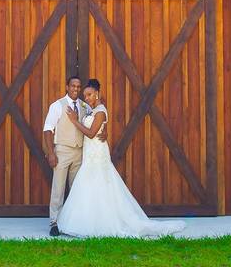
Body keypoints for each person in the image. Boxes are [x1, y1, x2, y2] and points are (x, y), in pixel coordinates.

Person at [56, 78, 186, 238]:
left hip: (97, 154)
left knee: (101, 184)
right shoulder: (91, 110)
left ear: (97, 94)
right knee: (90, 186)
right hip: (90, 153)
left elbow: (90, 133)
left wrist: (75, 120)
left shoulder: (101, 111)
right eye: (85, 95)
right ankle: (92, 220)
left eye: (90, 94)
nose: (87, 98)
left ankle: (106, 223)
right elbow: (97, 130)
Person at [42, 75, 107, 237]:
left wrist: (104, 131)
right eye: (73, 86)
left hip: (80, 152)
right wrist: (51, 152)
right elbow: (48, 129)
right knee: (58, 188)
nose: (76, 89)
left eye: (78, 87)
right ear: (67, 87)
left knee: (77, 189)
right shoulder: (57, 105)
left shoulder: (85, 105)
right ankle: (54, 222)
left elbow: (98, 121)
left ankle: (73, 221)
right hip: (63, 151)